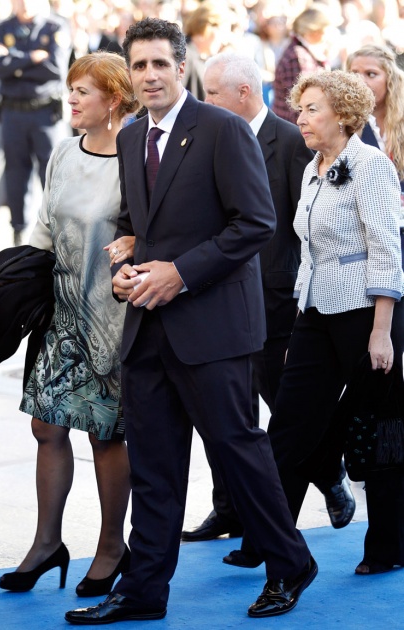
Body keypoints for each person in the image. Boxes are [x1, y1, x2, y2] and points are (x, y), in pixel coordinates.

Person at [64, 17, 317, 625]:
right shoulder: (129, 140)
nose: (149, 75)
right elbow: (140, 222)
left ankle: (290, 561)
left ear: (183, 68)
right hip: (147, 325)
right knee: (153, 463)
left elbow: (256, 223)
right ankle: (145, 590)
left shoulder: (224, 130)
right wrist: (129, 257)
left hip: (214, 326)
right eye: (139, 65)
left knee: (236, 452)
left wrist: (178, 272)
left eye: (160, 64)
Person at [181, 52, 354, 562]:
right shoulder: (208, 137)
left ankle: (329, 474)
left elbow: (313, 222)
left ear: (242, 92)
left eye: (211, 92)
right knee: (225, 413)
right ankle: (229, 509)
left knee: (287, 410)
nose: (203, 101)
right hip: (219, 296)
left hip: (279, 300)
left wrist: (309, 293)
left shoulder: (289, 141)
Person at [0, 51, 139, 596]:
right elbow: (42, 230)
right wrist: (8, 287)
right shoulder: (62, 152)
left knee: (106, 436)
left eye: (84, 91)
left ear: (114, 101)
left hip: (113, 320)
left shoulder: (136, 157)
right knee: (47, 427)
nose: (72, 99)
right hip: (60, 314)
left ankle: (111, 547)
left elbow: (156, 231)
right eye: (71, 89)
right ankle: (46, 544)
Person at [265, 69, 404, 575]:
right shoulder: (312, 168)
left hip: (368, 316)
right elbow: (310, 252)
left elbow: (387, 251)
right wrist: (302, 315)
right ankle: (273, 540)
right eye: (299, 109)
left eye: (311, 110)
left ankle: (388, 547)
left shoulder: (370, 165)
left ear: (343, 117)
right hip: (317, 314)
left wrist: (382, 331)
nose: (300, 118)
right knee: (287, 427)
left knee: (379, 430)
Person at [0, 0, 72, 246]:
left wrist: (13, 61)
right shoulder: (2, 29)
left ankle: (57, 232)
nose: (23, 3)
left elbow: (55, 68)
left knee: (53, 173)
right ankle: (19, 230)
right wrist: (31, 57)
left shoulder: (55, 26)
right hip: (13, 112)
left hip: (46, 113)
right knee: (15, 172)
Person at [346, 44, 404, 193]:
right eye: (354, 73)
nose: (361, 81)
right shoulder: (343, 124)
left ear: (390, 78)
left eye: (371, 74)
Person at [272, 4, 332, 124]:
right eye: (324, 31)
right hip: (292, 127)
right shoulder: (297, 56)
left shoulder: (302, 51)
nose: (326, 36)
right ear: (315, 31)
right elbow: (301, 102)